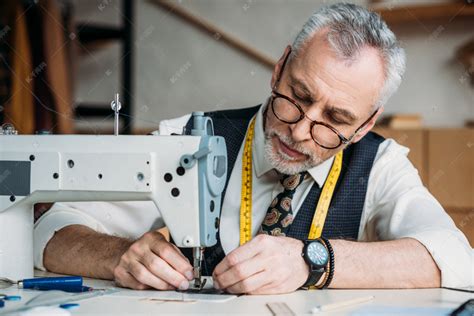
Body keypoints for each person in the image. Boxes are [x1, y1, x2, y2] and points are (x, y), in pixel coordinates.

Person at [35, 3, 472, 294]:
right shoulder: (186, 137)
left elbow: (457, 259)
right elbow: (49, 230)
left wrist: (313, 260)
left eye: (335, 120)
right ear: (279, 68)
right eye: (297, 97)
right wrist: (116, 255)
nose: (301, 132)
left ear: (365, 124)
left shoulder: (381, 164)